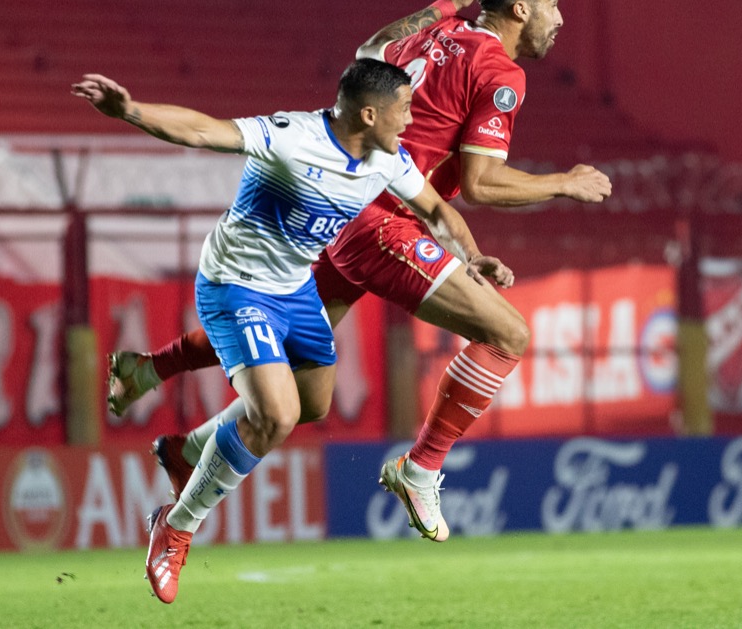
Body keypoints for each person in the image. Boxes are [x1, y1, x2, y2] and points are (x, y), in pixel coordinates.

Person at [106, 0, 613, 543]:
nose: (560, 17)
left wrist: (443, 2)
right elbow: (481, 182)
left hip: (346, 210)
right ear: (520, 8)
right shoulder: (502, 73)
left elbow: (368, 53)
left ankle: (171, 414)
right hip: (384, 222)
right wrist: (563, 182)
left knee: (299, 390)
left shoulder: (437, 32)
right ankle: (420, 467)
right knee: (509, 334)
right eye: (553, 2)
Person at [71, 59, 513, 603]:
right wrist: (132, 110)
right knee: (274, 415)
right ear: (368, 113)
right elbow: (208, 131)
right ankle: (176, 526)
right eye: (402, 110)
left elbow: (436, 208)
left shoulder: (386, 158)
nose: (410, 119)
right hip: (236, 284)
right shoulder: (294, 136)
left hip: (294, 288)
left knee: (311, 404)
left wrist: (471, 256)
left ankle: (186, 448)